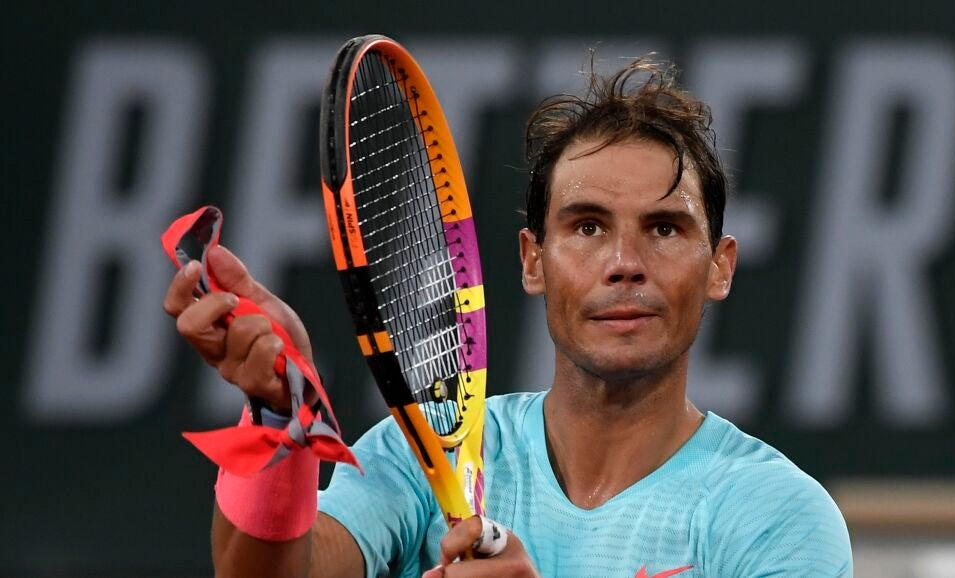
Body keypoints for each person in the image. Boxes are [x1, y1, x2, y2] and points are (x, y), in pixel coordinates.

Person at [164, 57, 853, 577]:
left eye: (665, 229)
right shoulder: (417, 454)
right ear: (533, 260)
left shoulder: (776, 517)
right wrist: (279, 412)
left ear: (720, 267)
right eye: (587, 227)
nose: (624, 263)